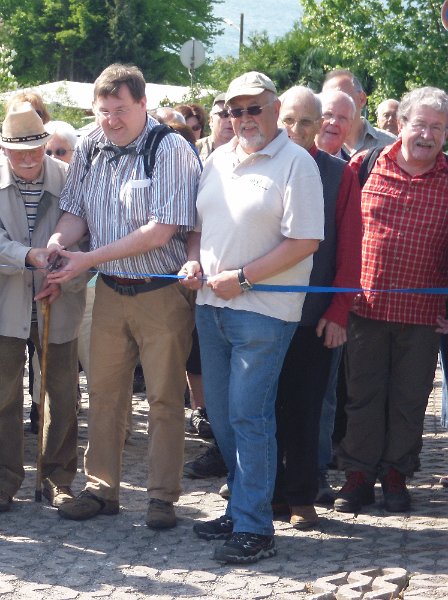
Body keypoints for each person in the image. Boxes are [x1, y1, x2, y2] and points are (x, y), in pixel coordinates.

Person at [45, 63, 200, 530]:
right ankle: (101, 489)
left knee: (164, 399)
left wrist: (87, 258)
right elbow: (75, 211)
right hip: (110, 290)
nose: (111, 120)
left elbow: (161, 231)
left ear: (143, 104)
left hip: (161, 292)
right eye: (104, 110)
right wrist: (58, 241)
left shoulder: (170, 149)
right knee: (104, 394)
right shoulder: (90, 145)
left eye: (121, 109)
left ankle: (162, 497)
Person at [181, 71, 323, 563]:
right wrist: (193, 261)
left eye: (253, 108)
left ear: (275, 109)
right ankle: (241, 507)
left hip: (264, 311)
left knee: (249, 415)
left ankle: (255, 527)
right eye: (234, 110)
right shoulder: (216, 159)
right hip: (211, 307)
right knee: (222, 418)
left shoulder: (297, 163)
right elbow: (198, 228)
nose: (243, 118)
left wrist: (242, 278)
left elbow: (305, 241)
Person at [335, 87, 448, 514]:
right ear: (401, 125)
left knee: (409, 401)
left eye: (438, 128)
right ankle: (358, 476)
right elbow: (339, 234)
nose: (427, 135)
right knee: (362, 397)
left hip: (423, 316)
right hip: (365, 309)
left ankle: (397, 473)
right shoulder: (364, 167)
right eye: (420, 125)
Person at [0, 102, 86, 513]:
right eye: (18, 151)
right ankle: (1, 480)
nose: (28, 158)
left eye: (35, 149)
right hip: (6, 301)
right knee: (0, 397)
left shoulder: (69, 177)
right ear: (3, 148)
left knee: (62, 395)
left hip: (60, 300)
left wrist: (63, 278)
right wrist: (27, 256)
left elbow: (84, 237)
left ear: (46, 142)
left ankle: (58, 479)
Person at [272, 87, 362, 529]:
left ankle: (301, 495)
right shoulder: (257, 165)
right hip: (260, 311)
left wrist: (339, 310)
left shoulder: (339, 174)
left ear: (319, 124)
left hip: (313, 316)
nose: (296, 129)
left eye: (305, 121)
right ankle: (265, 494)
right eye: (288, 120)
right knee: (261, 409)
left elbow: (350, 247)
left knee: (306, 409)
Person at [321, 69, 395, 156]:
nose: (336, 103)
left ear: (362, 99)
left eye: (343, 97)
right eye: (329, 99)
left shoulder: (389, 144)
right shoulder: (314, 145)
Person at [315, 91, 356, 160]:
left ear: (350, 126)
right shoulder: (297, 159)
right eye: (328, 115)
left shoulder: (353, 166)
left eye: (342, 118)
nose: (334, 122)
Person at [196, 93, 234, 162]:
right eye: (224, 114)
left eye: (234, 114)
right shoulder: (195, 149)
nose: (230, 120)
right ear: (211, 120)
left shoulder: (249, 151)